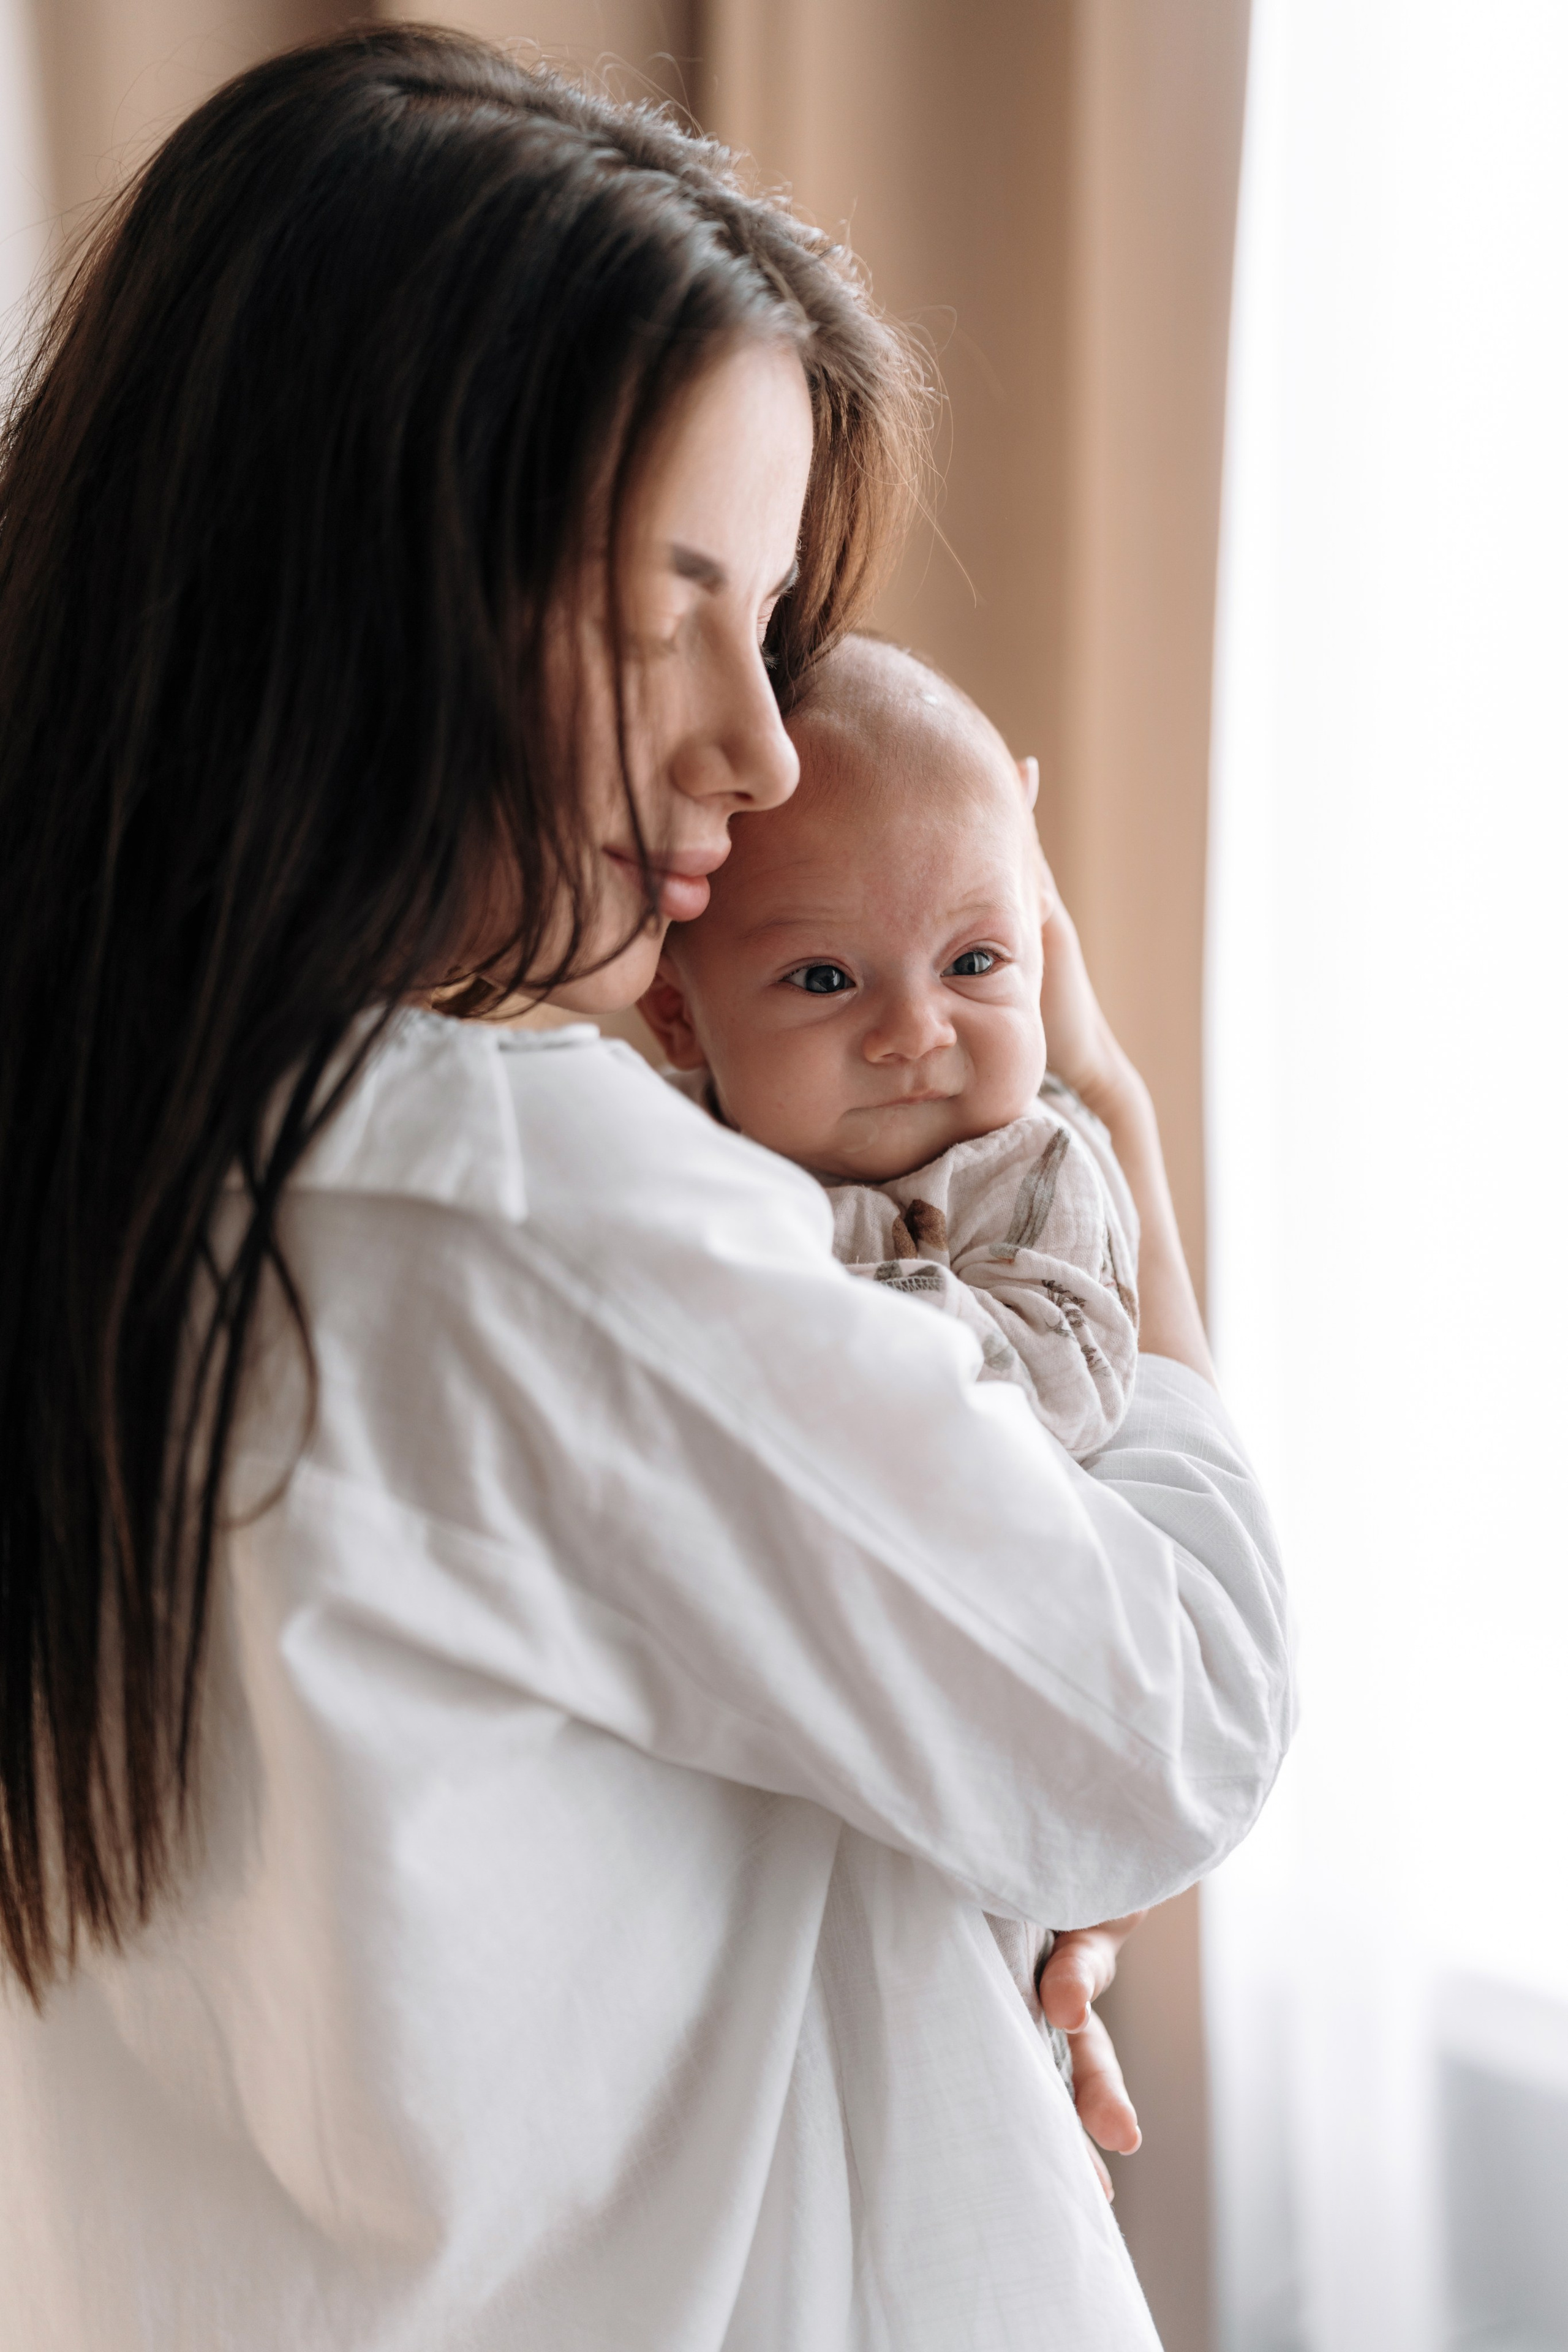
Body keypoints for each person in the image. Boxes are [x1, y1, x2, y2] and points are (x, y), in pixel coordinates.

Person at [0, 27, 1291, 2351]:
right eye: (660, 614)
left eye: (763, 621)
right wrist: (1104, 1120)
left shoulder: (109, 1168)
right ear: (350, 584)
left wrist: (916, 1843)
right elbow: (1168, 1724)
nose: (759, 750)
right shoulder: (503, 1209)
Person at [641, 631, 1142, 1460]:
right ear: (677, 1014)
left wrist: (776, 1300)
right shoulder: (649, 1140)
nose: (915, 1032)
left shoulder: (1033, 1170)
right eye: (825, 979)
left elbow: (1061, 1395)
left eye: (973, 963)